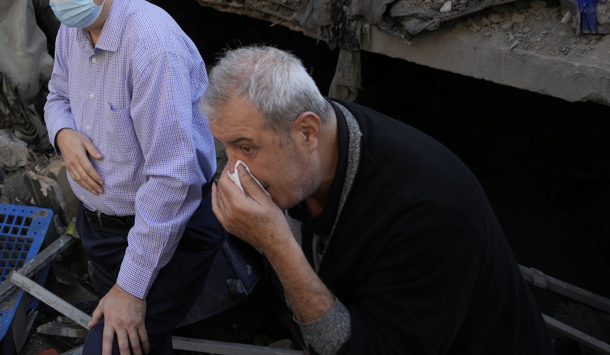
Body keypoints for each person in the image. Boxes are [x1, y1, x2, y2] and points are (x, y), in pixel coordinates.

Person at [202, 45, 553, 355]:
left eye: (246, 147)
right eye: (227, 149)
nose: (233, 171)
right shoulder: (313, 149)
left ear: (307, 131)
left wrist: (277, 246)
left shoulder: (424, 213)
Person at [41, 0, 224, 355]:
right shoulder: (73, 29)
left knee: (112, 344)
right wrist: (63, 134)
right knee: (144, 342)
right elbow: (56, 96)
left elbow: (174, 180)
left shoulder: (152, 47)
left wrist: (131, 287)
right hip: (102, 230)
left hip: (165, 232)